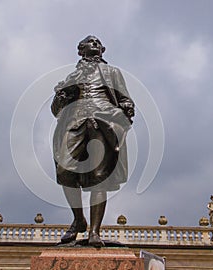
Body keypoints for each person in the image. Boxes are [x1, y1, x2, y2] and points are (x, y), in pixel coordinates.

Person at [51, 35, 135, 247]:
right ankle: (79, 219)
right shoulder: (72, 76)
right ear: (81, 50)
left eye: (98, 43)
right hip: (75, 121)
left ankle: (94, 231)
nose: (96, 45)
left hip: (103, 122)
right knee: (65, 170)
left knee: (100, 176)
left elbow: (125, 98)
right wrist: (60, 96)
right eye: (91, 42)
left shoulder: (112, 72)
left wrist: (125, 110)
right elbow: (56, 111)